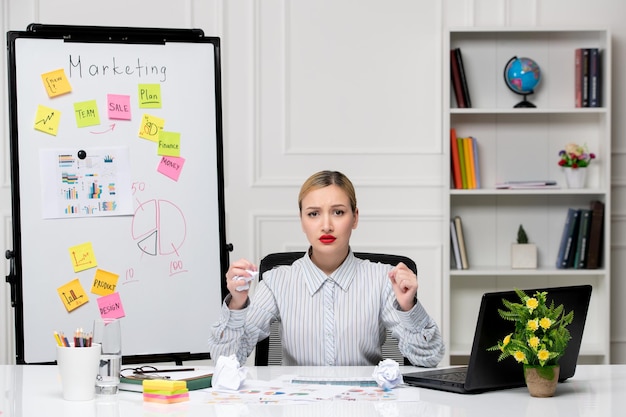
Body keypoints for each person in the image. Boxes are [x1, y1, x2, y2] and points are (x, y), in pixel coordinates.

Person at [208, 170, 445, 367]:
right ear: (302, 220)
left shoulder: (382, 280)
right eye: (313, 214)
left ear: (355, 218)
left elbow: (429, 358)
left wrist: (408, 308)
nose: (326, 225)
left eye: (338, 212)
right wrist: (236, 304)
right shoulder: (276, 281)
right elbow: (226, 361)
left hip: (364, 406)